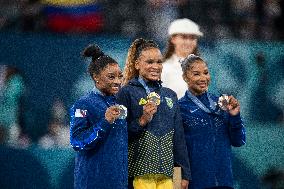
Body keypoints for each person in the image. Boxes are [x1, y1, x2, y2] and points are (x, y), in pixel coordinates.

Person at [116, 38, 191, 189]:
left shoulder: (170, 95)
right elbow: (118, 135)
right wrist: (142, 121)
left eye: (159, 62)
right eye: (149, 62)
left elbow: (178, 139)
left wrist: (184, 174)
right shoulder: (126, 93)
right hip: (139, 174)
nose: (155, 66)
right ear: (137, 64)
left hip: (168, 175)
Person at [178, 54, 246, 189]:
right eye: (196, 74)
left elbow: (239, 141)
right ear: (185, 77)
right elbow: (176, 149)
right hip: (196, 183)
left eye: (206, 73)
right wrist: (178, 180)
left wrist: (235, 116)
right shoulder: (180, 108)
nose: (203, 78)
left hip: (224, 181)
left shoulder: (222, 104)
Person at [70, 44, 128, 189]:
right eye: (111, 77)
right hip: (93, 182)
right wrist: (105, 122)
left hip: (118, 182)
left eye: (120, 76)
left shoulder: (121, 103)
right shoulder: (83, 104)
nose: (117, 81)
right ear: (96, 77)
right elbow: (77, 141)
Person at [161, 18, 203, 99]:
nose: (188, 42)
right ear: (173, 39)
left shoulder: (202, 68)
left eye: (192, 38)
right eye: (184, 37)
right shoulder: (164, 69)